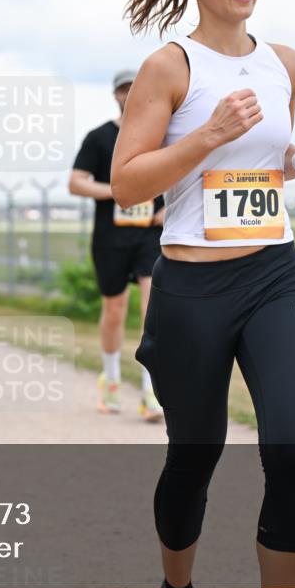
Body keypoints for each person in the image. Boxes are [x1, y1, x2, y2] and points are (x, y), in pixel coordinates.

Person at [110, 0, 295, 588]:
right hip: (191, 287)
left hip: (275, 276)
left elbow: (258, 169)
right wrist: (205, 135)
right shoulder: (169, 67)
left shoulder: (285, 64)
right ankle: (177, 587)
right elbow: (129, 184)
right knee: (194, 457)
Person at [69, 70, 165, 421]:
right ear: (115, 95)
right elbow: (76, 182)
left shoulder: (160, 133)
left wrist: (168, 207)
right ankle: (110, 380)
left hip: (149, 236)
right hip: (110, 236)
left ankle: (150, 390)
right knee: (115, 311)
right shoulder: (99, 137)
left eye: (135, 88)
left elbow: (180, 173)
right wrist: (118, 189)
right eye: (124, 89)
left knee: (152, 312)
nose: (130, 94)